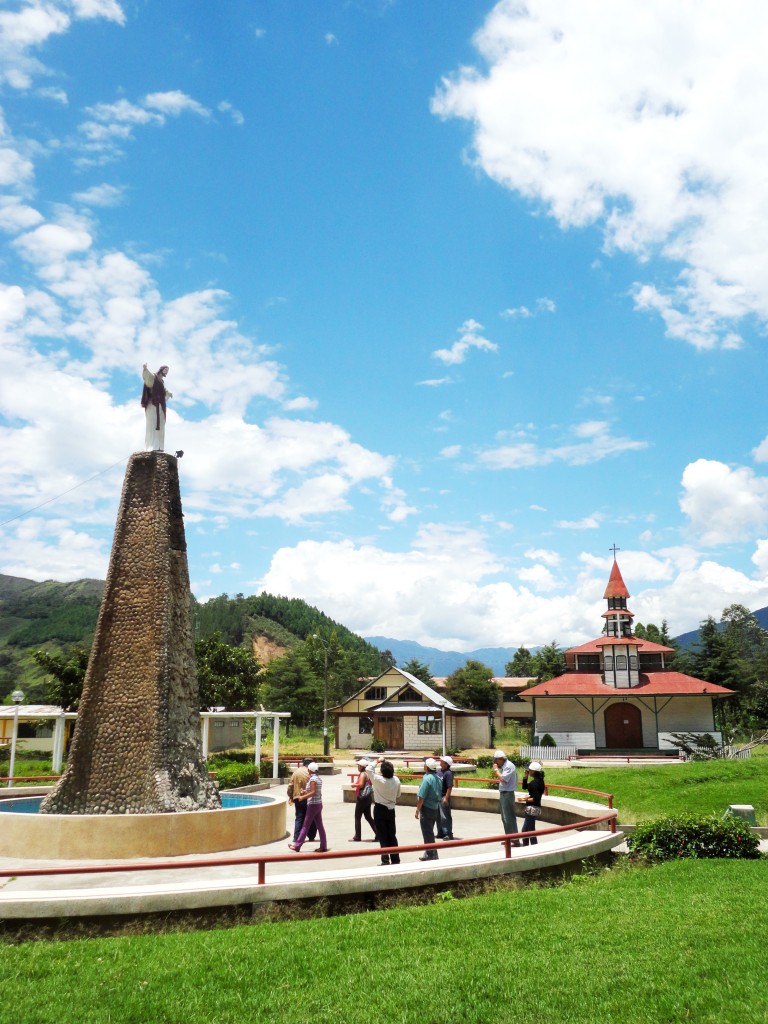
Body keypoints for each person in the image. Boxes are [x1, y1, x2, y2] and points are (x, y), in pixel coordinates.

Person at [368, 757, 401, 865]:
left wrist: (377, 760)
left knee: (382, 836)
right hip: (391, 810)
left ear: (382, 772)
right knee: (392, 835)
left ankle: (385, 860)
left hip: (380, 809)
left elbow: (368, 769)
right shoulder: (396, 780)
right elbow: (398, 795)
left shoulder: (378, 780)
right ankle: (395, 859)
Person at [289, 762, 328, 852]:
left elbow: (313, 792)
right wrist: (305, 792)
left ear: (309, 770)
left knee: (305, 826)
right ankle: (323, 845)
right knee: (320, 826)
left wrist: (303, 796)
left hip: (313, 805)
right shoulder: (318, 778)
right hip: (318, 804)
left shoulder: (313, 779)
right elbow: (315, 792)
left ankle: (297, 845)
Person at [414, 757, 442, 861]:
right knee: (429, 831)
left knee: (427, 833)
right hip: (435, 808)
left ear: (426, 767)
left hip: (427, 809)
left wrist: (417, 810)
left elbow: (422, 796)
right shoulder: (437, 778)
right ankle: (430, 852)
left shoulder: (427, 779)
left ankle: (431, 854)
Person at [141, 363, 172, 451]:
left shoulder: (162, 382)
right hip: (153, 405)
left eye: (168, 371)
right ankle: (151, 446)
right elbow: (148, 378)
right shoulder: (154, 377)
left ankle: (159, 446)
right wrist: (145, 369)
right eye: (166, 370)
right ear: (161, 369)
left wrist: (168, 394)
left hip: (160, 406)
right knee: (152, 424)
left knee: (160, 425)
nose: (166, 372)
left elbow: (164, 394)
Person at [286, 758, 317, 843]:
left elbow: (290, 785)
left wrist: (291, 796)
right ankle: (311, 836)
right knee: (311, 817)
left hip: (297, 798)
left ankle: (297, 837)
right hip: (308, 798)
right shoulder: (311, 773)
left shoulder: (296, 772)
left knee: (299, 817)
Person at [492, 749, 520, 844]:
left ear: (501, 759)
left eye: (496, 760)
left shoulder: (508, 766)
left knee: (509, 817)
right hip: (504, 793)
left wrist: (496, 770)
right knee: (505, 817)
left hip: (507, 794)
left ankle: (515, 839)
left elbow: (503, 779)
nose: (496, 762)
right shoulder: (505, 766)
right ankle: (509, 838)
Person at [350, 758, 377, 842]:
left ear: (362, 766)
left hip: (362, 798)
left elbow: (361, 785)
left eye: (358, 765)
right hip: (367, 797)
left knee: (357, 816)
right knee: (368, 817)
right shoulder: (368, 773)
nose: (358, 767)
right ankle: (379, 834)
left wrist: (354, 785)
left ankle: (357, 836)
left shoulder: (362, 774)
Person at [521, 760, 545, 846]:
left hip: (532, 809)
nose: (528, 771)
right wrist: (525, 776)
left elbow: (536, 798)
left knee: (530, 832)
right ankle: (525, 847)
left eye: (530, 770)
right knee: (524, 831)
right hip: (535, 808)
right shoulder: (540, 781)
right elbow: (524, 787)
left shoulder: (534, 783)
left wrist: (524, 799)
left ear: (534, 772)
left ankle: (534, 848)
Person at [437, 754, 454, 840]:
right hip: (437, 797)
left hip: (443, 796)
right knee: (438, 816)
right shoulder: (439, 771)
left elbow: (449, 787)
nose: (440, 762)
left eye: (442, 761)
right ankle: (440, 832)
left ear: (446, 764)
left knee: (445, 816)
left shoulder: (448, 773)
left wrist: (446, 798)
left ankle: (448, 833)